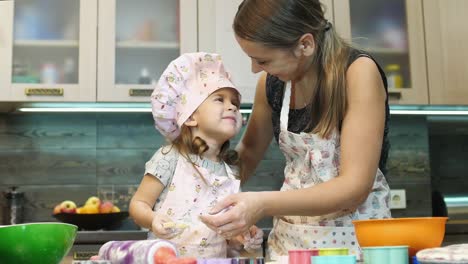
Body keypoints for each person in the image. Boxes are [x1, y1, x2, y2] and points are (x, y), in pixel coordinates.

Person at [200, 0, 392, 259]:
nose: (255, 69)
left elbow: (354, 187)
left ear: (305, 44)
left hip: (355, 243)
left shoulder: (357, 73)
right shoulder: (270, 84)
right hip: (291, 243)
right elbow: (246, 156)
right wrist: (199, 183)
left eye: (263, 59)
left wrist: (262, 203)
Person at [129, 52, 263, 258]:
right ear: (190, 116)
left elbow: (227, 233)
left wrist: (243, 237)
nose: (232, 106)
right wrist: (153, 220)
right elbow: (138, 205)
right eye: (220, 99)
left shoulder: (231, 171)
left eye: (235, 103)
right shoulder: (170, 157)